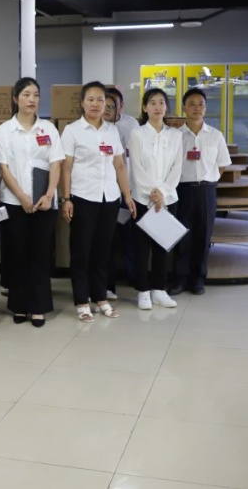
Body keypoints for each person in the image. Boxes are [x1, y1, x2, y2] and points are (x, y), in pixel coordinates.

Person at [59, 81, 136, 322]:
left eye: (100, 100)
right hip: (83, 197)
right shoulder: (72, 131)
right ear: (82, 102)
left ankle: (101, 297)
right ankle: (82, 301)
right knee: (81, 251)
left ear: (107, 104)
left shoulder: (111, 131)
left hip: (109, 198)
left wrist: (127, 195)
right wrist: (66, 198)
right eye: (90, 99)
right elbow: (66, 167)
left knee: (103, 251)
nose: (95, 104)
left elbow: (119, 165)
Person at [0, 78, 64, 327]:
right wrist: (22, 197)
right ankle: (18, 305)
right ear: (16, 99)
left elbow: (56, 162)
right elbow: (3, 167)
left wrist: (49, 195)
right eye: (26, 94)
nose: (32, 99)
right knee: (17, 254)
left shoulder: (48, 129)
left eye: (35, 94)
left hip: (44, 203)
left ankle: (38, 307)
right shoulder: (5, 131)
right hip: (14, 202)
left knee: (40, 254)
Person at [172, 88, 231, 296]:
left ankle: (197, 280)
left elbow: (222, 166)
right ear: (184, 108)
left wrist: (208, 180)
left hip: (206, 191)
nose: (197, 108)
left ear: (205, 108)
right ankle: (180, 280)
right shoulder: (176, 136)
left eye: (201, 104)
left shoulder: (215, 136)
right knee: (181, 236)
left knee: (203, 236)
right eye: (192, 104)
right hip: (182, 190)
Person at [128, 88, 183, 310]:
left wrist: (163, 192)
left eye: (161, 102)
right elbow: (136, 167)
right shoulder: (137, 134)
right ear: (145, 108)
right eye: (152, 103)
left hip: (168, 199)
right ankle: (143, 291)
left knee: (162, 246)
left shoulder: (175, 135)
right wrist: (153, 192)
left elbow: (177, 167)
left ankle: (159, 290)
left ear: (166, 107)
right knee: (141, 248)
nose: (157, 107)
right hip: (142, 199)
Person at [104, 87, 138, 300]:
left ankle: (134, 278)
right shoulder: (98, 126)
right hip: (106, 192)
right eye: (105, 106)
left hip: (127, 190)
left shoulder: (131, 124)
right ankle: (108, 284)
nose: (108, 110)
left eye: (112, 106)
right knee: (107, 240)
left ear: (121, 106)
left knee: (129, 237)